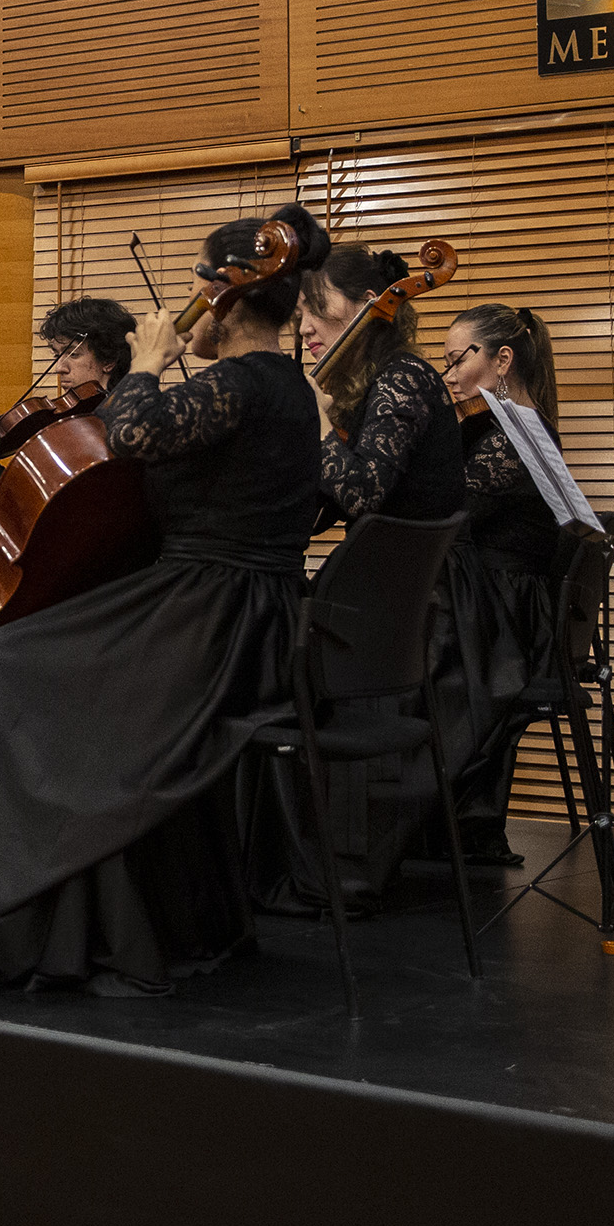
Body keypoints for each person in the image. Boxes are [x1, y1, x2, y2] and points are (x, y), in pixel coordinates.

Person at [0, 206, 330, 996]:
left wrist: (148, 363)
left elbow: (134, 436)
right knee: (19, 661)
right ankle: (110, 911)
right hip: (253, 613)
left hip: (208, 617)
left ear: (225, 300)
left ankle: (25, 922)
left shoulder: (238, 382)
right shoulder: (287, 385)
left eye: (196, 289)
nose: (185, 310)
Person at [244, 242, 470, 913]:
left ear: (370, 306)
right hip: (385, 604)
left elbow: (363, 491)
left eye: (316, 308)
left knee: (247, 645)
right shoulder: (377, 384)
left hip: (396, 614)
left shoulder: (404, 378)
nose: (304, 327)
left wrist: (315, 424)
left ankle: (276, 863)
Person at [426, 305, 567, 866]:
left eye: (457, 360)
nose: (450, 376)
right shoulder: (498, 430)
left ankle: (420, 819)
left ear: (502, 359)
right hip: (493, 599)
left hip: (505, 616)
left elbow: (449, 516)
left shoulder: (515, 437)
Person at [0, 298, 137, 496]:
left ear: (108, 361)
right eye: (57, 356)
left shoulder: (124, 429)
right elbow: (31, 499)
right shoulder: (72, 423)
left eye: (73, 355)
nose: (60, 368)